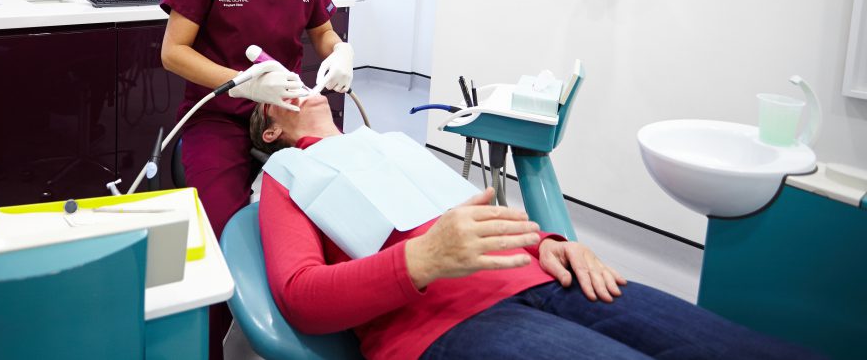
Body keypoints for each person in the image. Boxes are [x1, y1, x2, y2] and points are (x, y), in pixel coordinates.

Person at [252, 95, 823, 360]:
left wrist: (553, 242)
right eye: (276, 96)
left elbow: (478, 212)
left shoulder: (390, 145)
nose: (296, 85)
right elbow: (301, 297)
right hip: (443, 325)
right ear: (270, 131)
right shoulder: (287, 175)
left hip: (545, 277)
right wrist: (420, 260)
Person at [160, 0, 354, 358]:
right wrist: (239, 81)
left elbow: (323, 35)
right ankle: (212, 348)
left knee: (332, 226)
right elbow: (173, 52)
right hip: (218, 119)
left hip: (287, 115)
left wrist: (340, 52)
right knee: (231, 245)